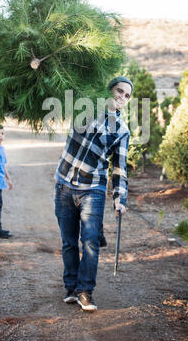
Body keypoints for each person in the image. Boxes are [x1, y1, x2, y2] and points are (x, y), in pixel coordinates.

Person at [54, 76, 133, 312]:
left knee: (90, 242)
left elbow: (119, 167)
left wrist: (120, 198)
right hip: (64, 184)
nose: (122, 97)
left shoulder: (122, 130)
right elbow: (65, 83)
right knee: (69, 242)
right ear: (109, 90)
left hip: (93, 189)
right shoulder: (83, 109)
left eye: (127, 96)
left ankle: (85, 291)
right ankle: (70, 288)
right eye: (119, 91)